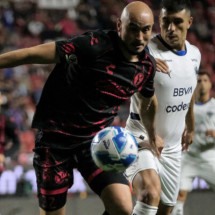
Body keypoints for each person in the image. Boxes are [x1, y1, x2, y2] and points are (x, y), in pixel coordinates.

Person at [0, 1, 161, 215]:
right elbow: (32, 54)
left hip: (97, 143)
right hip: (55, 139)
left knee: (122, 208)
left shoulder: (147, 66)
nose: (140, 37)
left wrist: (153, 134)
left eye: (146, 30)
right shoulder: (93, 45)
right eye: (133, 28)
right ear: (119, 26)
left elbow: (148, 100)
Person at [124, 0, 201, 214]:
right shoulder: (144, 51)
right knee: (149, 194)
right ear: (159, 21)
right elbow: (123, 58)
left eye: (177, 22)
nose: (170, 28)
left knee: (166, 208)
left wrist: (191, 126)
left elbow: (189, 91)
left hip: (173, 147)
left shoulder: (195, 54)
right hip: (143, 138)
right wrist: (143, 60)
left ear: (189, 22)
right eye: (165, 22)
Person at [171, 71, 215, 215]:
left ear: (210, 85)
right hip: (189, 156)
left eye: (205, 80)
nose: (202, 83)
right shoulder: (186, 108)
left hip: (210, 157)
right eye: (199, 80)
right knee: (179, 195)